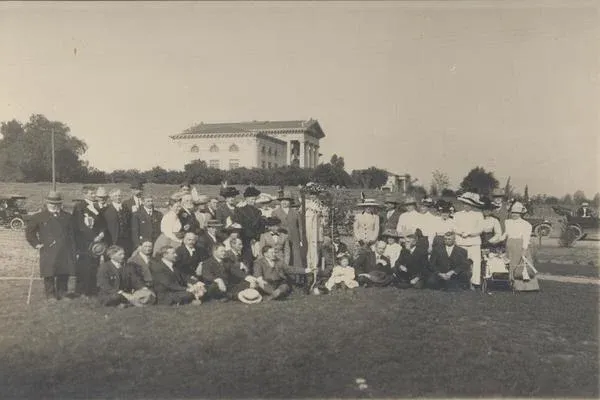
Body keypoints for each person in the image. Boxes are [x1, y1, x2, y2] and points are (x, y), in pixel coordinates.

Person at [25, 191, 78, 301]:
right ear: (47, 203)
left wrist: (74, 248)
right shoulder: (38, 217)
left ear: (60, 204)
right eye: (51, 203)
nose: (54, 205)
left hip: (64, 249)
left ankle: (62, 293)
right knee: (49, 272)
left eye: (57, 203)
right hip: (48, 249)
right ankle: (50, 295)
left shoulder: (67, 216)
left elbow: (72, 234)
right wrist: (36, 243)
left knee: (63, 271)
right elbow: (29, 232)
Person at [71, 186, 107, 297]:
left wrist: (101, 233)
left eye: (94, 193)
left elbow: (102, 222)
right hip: (84, 242)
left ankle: (92, 289)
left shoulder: (96, 206)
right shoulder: (79, 207)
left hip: (96, 242)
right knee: (84, 266)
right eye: (91, 193)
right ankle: (81, 291)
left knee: (94, 265)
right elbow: (80, 226)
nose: (94, 195)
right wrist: (93, 237)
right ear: (85, 194)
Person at [501, 201, 540, 292]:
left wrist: (524, 250)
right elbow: (505, 234)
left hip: (520, 246)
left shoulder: (526, 224)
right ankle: (511, 284)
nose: (514, 215)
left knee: (521, 266)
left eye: (517, 213)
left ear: (521, 213)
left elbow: (526, 238)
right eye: (513, 213)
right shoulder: (508, 222)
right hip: (510, 245)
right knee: (510, 265)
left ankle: (525, 287)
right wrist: (498, 239)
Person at [452, 192, 485, 289]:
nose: (466, 206)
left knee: (475, 263)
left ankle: (474, 283)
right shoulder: (457, 214)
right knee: (460, 263)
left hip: (474, 242)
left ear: (472, 205)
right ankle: (461, 282)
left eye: (469, 204)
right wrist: (461, 232)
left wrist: (469, 233)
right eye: (465, 203)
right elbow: (454, 226)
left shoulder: (478, 214)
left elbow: (480, 228)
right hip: (461, 241)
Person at [233, 186, 264, 271]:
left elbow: (261, 227)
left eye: (254, 199)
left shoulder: (258, 211)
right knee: (247, 260)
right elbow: (239, 225)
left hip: (256, 240)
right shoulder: (240, 210)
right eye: (251, 199)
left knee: (257, 261)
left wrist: (256, 238)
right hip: (245, 239)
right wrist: (249, 237)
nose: (253, 201)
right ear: (246, 199)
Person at [272, 191, 304, 272]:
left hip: (294, 238)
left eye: (286, 200)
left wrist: (301, 240)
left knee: (296, 257)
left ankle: (298, 277)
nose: (284, 202)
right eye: (282, 200)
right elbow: (273, 227)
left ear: (290, 202)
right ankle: (284, 275)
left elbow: (300, 227)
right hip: (282, 239)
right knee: (284, 257)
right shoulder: (275, 212)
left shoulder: (296, 213)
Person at [102, 189, 133, 257]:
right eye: (115, 196)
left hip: (126, 239)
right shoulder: (106, 210)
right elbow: (104, 227)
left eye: (119, 195)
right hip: (113, 239)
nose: (118, 197)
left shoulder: (126, 209)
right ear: (111, 198)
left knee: (126, 256)